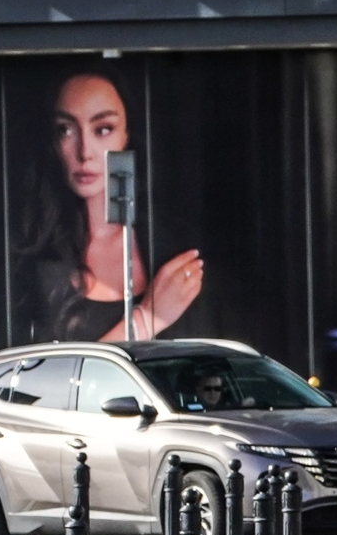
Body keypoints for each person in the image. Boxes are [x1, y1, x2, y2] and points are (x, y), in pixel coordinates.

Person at [11, 69, 204, 343]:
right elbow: (56, 381)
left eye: (103, 129)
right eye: (65, 130)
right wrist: (148, 318)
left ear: (127, 135)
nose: (85, 152)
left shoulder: (172, 243)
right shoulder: (32, 253)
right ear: (51, 141)